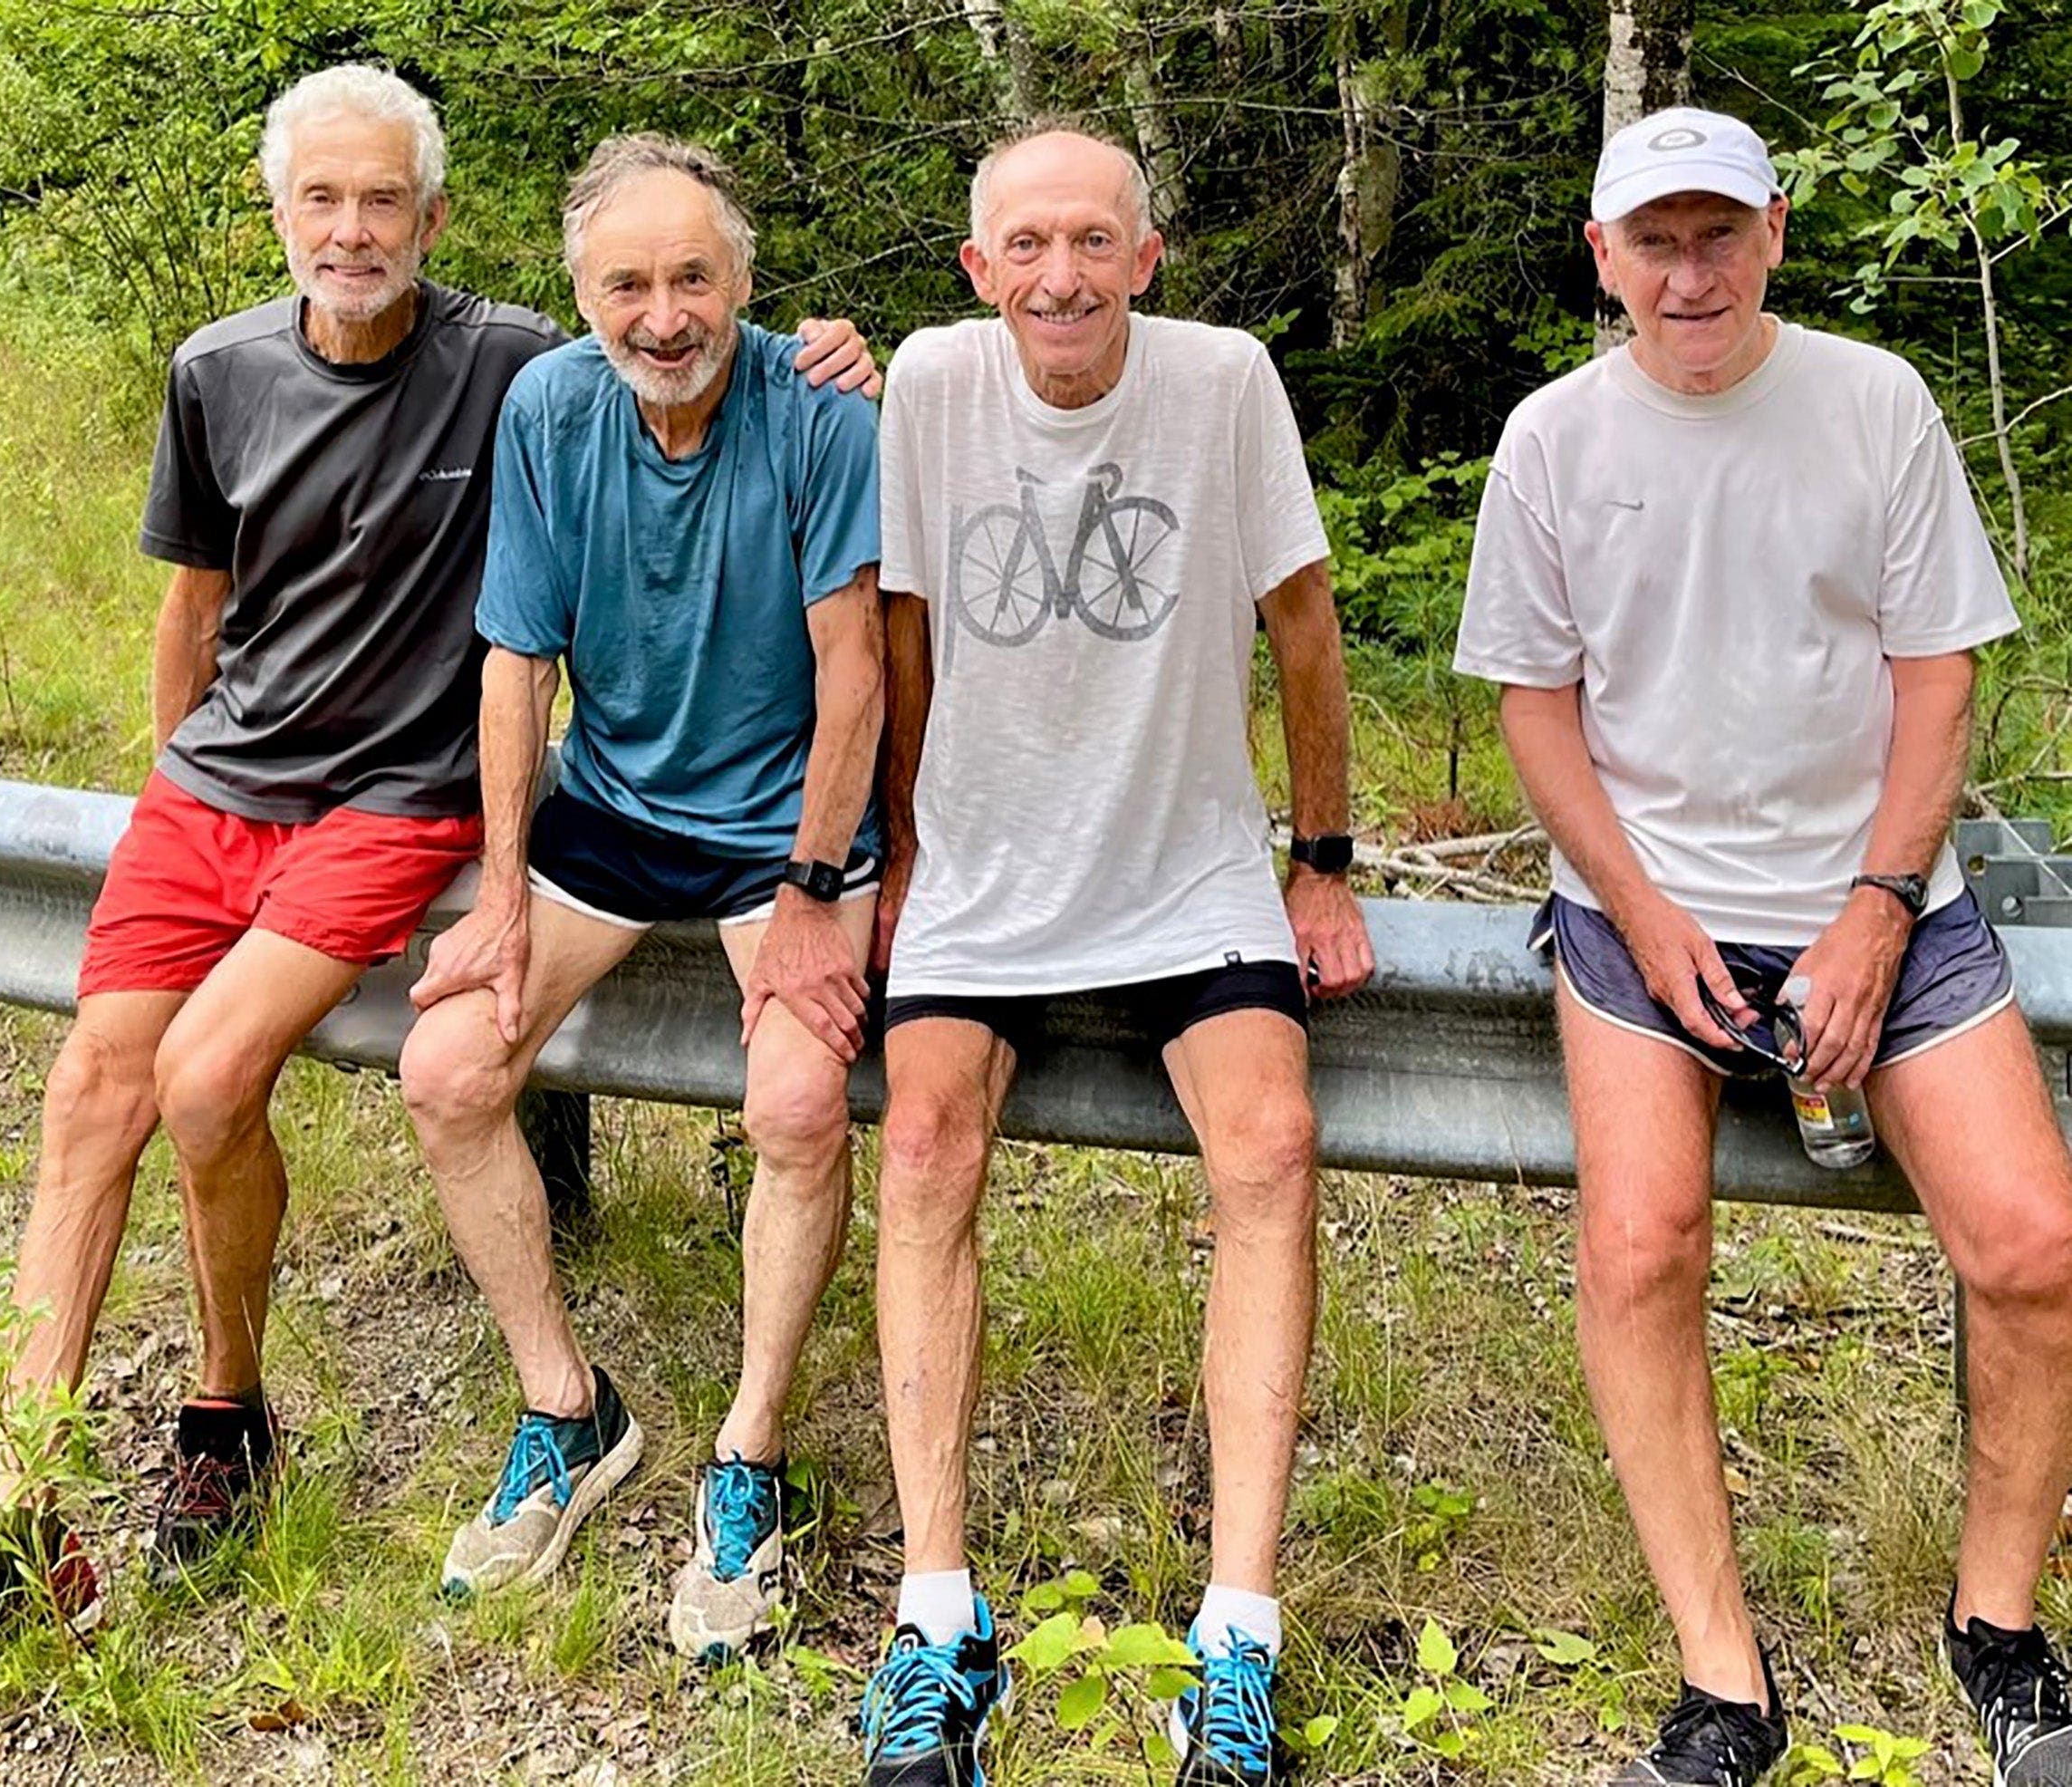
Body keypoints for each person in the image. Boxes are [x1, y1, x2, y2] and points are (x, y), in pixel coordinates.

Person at [0, 71, 875, 1741]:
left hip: (584, 819)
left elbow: (823, 609)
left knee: (231, 1086)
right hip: (395, 802)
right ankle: (49, 1511)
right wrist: (425, 873)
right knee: (245, 1085)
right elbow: (327, 629)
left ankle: (691, 1456)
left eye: (384, 205)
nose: (351, 232)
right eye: (320, 202)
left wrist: (840, 344)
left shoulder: (655, 382)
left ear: (432, 222)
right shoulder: (343, 379)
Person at [1455, 105, 2072, 1787]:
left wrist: (1876, 908)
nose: (1691, 270)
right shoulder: (1553, 440)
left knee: (2034, 1248)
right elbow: (1536, 704)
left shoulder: (1876, 403)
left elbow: (1940, 672)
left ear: (1776, 236)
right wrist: (1642, 917)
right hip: (1641, 906)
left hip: (1881, 896)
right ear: (1605, 261)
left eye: (1720, 232)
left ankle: (2001, 1634)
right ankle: (1725, 1687)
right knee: (1641, 1251)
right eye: (1654, 241)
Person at [859, 122, 1373, 1787]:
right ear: (978, 268)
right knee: (924, 1143)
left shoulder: (1224, 381)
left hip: (1186, 865)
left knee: (1274, 1147)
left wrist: (1323, 862)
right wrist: (909, 847)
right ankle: (940, 1622)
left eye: (1095, 242)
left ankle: (1236, 1639)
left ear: (1145, 259)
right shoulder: (929, 385)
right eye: (1029, 246)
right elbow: (904, 627)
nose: (1061, 276)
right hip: (989, 864)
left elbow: (1303, 619)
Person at [396, 132, 882, 1663]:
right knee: (446, 1067)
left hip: (779, 825)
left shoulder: (817, 414)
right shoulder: (546, 409)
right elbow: (513, 662)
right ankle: (568, 1409)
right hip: (608, 804)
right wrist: (498, 891)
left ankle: (749, 1462)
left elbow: (853, 670)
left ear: (742, 281)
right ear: (580, 294)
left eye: (692, 278)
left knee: (800, 1108)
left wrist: (812, 889)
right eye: (628, 283)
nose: (661, 314)